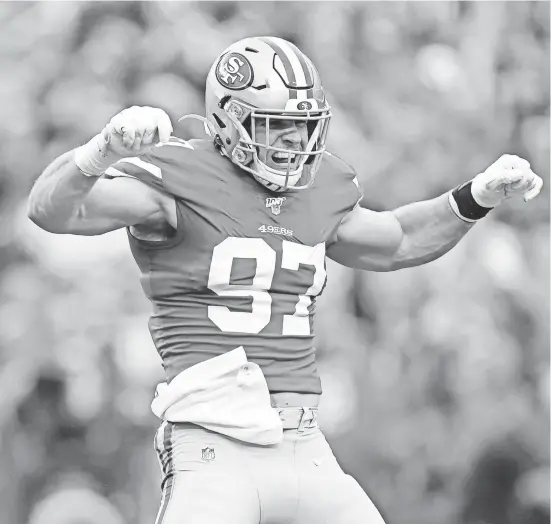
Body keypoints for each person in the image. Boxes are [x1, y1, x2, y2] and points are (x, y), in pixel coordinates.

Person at [27, 36, 543, 524]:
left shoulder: (321, 189)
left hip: (305, 446)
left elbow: (400, 239)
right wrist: (100, 152)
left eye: (305, 124)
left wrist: (477, 195)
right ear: (230, 121)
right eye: (277, 125)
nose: (297, 140)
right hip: (214, 446)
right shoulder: (179, 176)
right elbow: (53, 212)